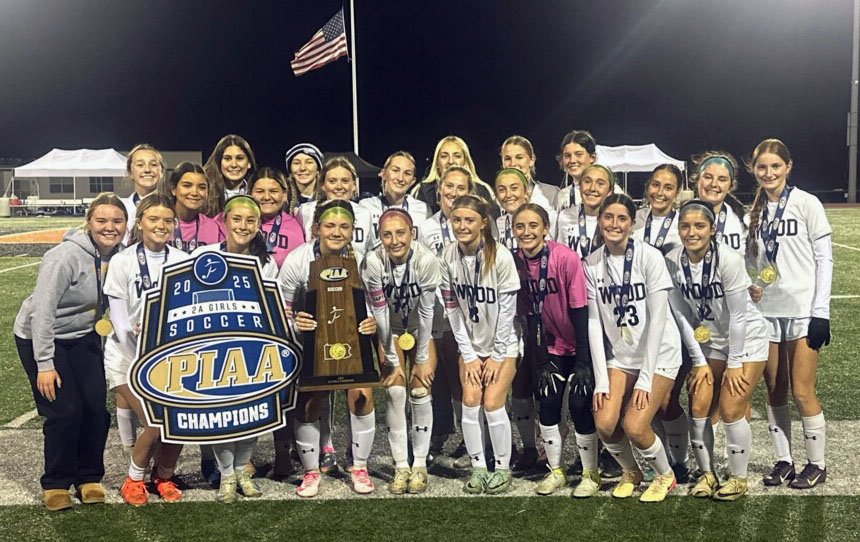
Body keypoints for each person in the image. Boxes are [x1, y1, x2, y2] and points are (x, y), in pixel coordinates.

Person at [14, 193, 127, 511]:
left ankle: (88, 477)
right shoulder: (64, 257)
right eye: (101, 220)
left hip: (83, 335)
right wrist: (45, 363)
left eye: (117, 221)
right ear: (89, 222)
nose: (109, 227)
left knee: (96, 410)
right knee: (65, 411)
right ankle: (56, 482)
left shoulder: (122, 255)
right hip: (42, 336)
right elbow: (42, 312)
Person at [665, 199, 769, 500]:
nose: (692, 232)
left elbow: (738, 316)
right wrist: (698, 360)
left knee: (731, 408)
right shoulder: (671, 260)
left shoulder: (728, 259)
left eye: (699, 226)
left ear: (712, 229)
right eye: (685, 226)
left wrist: (735, 363)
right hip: (710, 341)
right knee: (698, 406)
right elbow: (681, 314)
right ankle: (707, 474)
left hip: (746, 339)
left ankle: (738, 478)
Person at [746, 139, 832, 489]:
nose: (768, 173)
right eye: (762, 167)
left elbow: (824, 258)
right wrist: (754, 284)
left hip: (802, 311)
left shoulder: (806, 203)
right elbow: (756, 262)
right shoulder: (752, 213)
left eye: (775, 166)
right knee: (774, 388)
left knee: (802, 390)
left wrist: (821, 311)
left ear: (788, 167)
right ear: (754, 170)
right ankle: (784, 461)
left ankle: (817, 464)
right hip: (767, 312)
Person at [585, 194, 682, 502]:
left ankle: (665, 475)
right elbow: (593, 322)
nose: (614, 224)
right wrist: (602, 379)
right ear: (599, 220)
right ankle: (631, 471)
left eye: (622, 218)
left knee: (635, 426)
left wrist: (645, 377)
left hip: (659, 354)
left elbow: (658, 321)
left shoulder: (649, 257)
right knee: (604, 421)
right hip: (621, 356)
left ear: (632, 223)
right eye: (608, 217)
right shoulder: (591, 263)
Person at [278, 200, 379, 497]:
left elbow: (376, 304)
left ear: (352, 230)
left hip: (352, 340)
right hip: (311, 341)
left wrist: (373, 322)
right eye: (330, 225)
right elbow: (281, 308)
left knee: (362, 396)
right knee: (309, 402)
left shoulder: (363, 261)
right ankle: (311, 472)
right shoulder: (298, 260)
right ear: (317, 228)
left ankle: (359, 467)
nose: (337, 232)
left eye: (344, 226)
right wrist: (296, 323)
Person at [191, 195, 279, 502]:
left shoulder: (266, 262)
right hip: (215, 347)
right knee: (222, 413)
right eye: (237, 219)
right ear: (224, 221)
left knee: (252, 412)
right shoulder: (204, 256)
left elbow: (270, 307)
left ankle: (241, 469)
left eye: (250, 220)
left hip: (253, 346)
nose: (243, 226)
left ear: (258, 225)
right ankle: (227, 474)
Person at [105, 194, 188, 505]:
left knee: (179, 422)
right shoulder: (122, 261)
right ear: (139, 223)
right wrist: (143, 351)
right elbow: (119, 321)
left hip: (169, 359)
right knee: (156, 423)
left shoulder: (182, 260)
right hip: (128, 358)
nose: (161, 225)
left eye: (167, 220)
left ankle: (163, 476)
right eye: (153, 219)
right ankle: (133, 479)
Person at [510, 204, 597, 496]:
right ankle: (556, 471)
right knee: (547, 402)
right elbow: (530, 315)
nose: (526, 232)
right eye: (520, 226)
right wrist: (542, 359)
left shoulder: (565, 258)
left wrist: (583, 360)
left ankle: (590, 474)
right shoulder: (516, 262)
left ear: (546, 228)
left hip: (580, 342)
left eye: (533, 225)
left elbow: (580, 310)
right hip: (550, 345)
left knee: (580, 404)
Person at [440, 195, 520, 494]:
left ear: (483, 222)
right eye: (457, 220)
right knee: (471, 400)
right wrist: (469, 355)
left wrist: (497, 356)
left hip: (504, 344)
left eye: (469, 220)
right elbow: (452, 310)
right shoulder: (447, 255)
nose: (462, 226)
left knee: (492, 402)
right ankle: (478, 468)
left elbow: (508, 313)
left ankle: (502, 468)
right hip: (471, 345)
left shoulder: (501, 257)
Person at [362, 208, 441, 493]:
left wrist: (421, 358)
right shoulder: (373, 261)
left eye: (400, 233)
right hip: (392, 328)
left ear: (412, 233)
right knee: (395, 390)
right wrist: (391, 358)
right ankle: (400, 466)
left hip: (421, 327)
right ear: (379, 236)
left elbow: (428, 312)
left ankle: (419, 465)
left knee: (420, 389)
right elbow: (380, 311)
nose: (394, 240)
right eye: (387, 234)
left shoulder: (426, 259)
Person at [414, 165, 477, 466]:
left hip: (467, 312)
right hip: (438, 311)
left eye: (460, 187)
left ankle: (473, 437)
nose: (453, 192)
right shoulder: (426, 227)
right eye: (448, 187)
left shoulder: (476, 222)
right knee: (442, 377)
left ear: (470, 191)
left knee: (464, 377)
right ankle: (447, 434)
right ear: (439, 189)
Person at [631, 163, 690, 479]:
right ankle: (663, 459)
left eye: (668, 187)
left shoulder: (685, 225)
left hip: (677, 321)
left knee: (667, 398)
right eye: (655, 185)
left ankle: (680, 461)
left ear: (677, 191)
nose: (660, 192)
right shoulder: (635, 225)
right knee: (649, 398)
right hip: (643, 322)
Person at [295, 157, 374, 256]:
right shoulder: (305, 211)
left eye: (345, 181)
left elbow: (368, 251)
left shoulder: (364, 213)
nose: (339, 187)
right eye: (332, 181)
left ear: (354, 185)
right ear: (323, 185)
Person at [410, 135, 499, 217]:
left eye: (457, 156)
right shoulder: (422, 190)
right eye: (444, 156)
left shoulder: (483, 190)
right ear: (437, 163)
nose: (451, 161)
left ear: (465, 161)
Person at [359, 151, 430, 242]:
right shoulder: (366, 207)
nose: (400, 178)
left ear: (413, 181)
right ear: (383, 174)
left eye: (407, 173)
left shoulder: (423, 209)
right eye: (395, 170)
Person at [248, 167, 305, 268]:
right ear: (250, 194)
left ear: (284, 195)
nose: (266, 197)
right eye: (260, 191)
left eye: (273, 191)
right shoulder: (240, 223)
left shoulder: (294, 227)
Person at [556, 164, 615, 259]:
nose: (592, 188)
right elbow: (560, 255)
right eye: (587, 181)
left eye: (600, 183)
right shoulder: (566, 215)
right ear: (580, 186)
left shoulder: (616, 221)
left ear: (609, 191)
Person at [693, 151, 746, 255]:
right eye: (708, 177)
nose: (714, 184)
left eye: (722, 179)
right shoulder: (679, 218)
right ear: (697, 180)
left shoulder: (742, 220)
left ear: (730, 186)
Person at [163, 162, 225, 251]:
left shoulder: (214, 227)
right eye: (187, 186)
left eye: (202, 187)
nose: (195, 193)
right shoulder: (160, 223)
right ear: (173, 189)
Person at [494, 168, 558, 251]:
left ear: (526, 191)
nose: (508, 195)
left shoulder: (549, 217)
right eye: (502, 190)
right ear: (496, 195)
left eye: (514, 188)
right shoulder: (499, 222)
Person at [500, 135, 558, 211]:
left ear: (531, 160)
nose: (513, 163)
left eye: (519, 157)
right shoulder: (499, 198)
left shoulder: (551, 193)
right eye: (507, 159)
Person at [120, 144, 165, 243]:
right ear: (130, 173)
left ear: (161, 172)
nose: (147, 170)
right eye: (140, 165)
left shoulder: (171, 209)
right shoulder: (120, 209)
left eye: (153, 165)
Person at [203, 134, 258, 215]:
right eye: (227, 159)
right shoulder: (206, 193)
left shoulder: (256, 193)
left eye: (239, 158)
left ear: (249, 163)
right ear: (219, 162)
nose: (234, 165)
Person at [285, 142, 324, 208]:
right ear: (290, 170)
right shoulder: (283, 198)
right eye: (296, 163)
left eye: (309, 162)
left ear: (318, 169)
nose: (302, 168)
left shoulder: (328, 196)